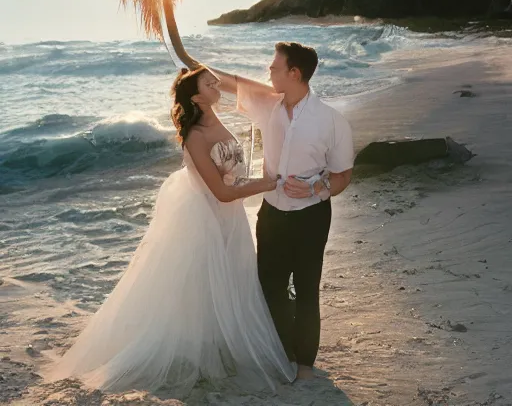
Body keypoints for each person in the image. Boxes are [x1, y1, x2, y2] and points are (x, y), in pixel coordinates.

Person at [46, 66, 296, 396]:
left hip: (230, 218)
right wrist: (265, 184)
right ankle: (198, 356)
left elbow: (232, 174)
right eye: (209, 83)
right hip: (207, 217)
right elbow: (220, 191)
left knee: (229, 281)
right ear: (196, 97)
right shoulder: (195, 137)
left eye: (214, 80)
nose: (216, 84)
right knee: (202, 285)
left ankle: (221, 348)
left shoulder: (217, 119)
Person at [210, 42, 354, 380]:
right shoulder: (266, 104)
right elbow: (231, 81)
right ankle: (285, 351)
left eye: (275, 67)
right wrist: (189, 62)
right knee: (269, 286)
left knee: (306, 288)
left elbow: (343, 174)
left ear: (295, 73)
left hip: (311, 216)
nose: (268, 71)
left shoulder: (332, 121)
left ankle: (305, 365)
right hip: (271, 213)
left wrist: (318, 189)